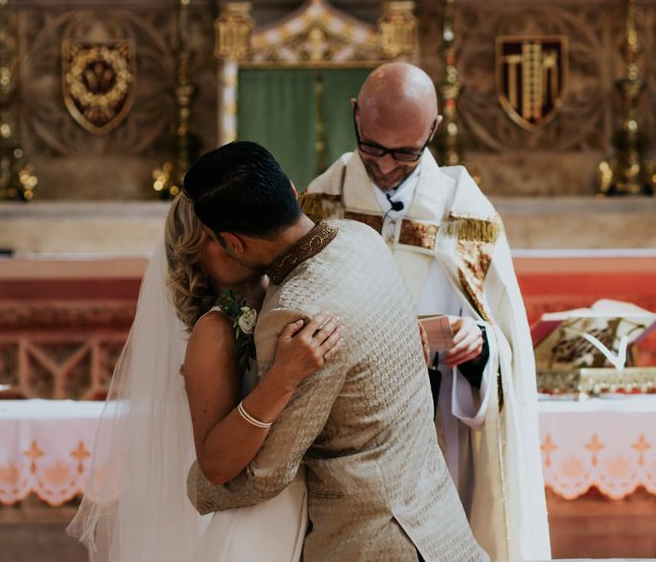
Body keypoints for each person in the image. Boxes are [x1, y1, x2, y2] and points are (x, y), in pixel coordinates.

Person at [183, 141, 485, 561]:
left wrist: (193, 487)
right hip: (438, 520)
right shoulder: (359, 237)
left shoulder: (295, 311)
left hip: (373, 541)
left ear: (234, 242)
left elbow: (267, 472)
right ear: (291, 190)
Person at [300, 62, 550, 562]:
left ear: (433, 131)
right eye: (372, 147)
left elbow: (504, 343)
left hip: (436, 438)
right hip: (343, 445)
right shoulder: (320, 207)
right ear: (354, 116)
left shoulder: (465, 216)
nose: (388, 166)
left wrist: (477, 346)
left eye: (406, 153)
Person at [68, 194, 344, 561]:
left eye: (239, 230)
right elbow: (215, 464)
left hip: (314, 507)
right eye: (217, 237)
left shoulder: (282, 296)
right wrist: (283, 377)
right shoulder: (215, 330)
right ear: (193, 252)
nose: (233, 244)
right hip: (259, 522)